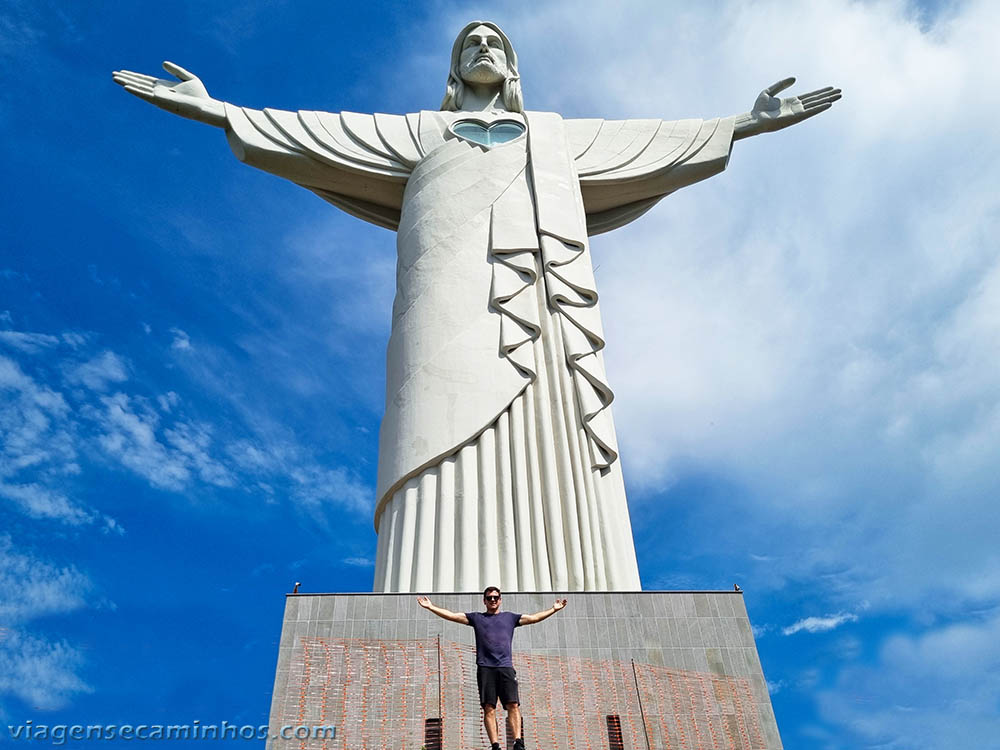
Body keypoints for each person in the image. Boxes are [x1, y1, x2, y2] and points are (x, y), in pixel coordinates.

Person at [113, 22, 840, 594]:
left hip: (545, 313)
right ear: (454, 69)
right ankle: (424, 584)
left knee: (560, 424)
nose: (484, 49)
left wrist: (747, 123)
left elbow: (647, 142)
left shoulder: (551, 135)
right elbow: (321, 134)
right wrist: (217, 111)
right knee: (431, 427)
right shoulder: (420, 133)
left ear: (512, 66)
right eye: (471, 45)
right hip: (442, 311)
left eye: (495, 43)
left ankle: (591, 583)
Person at [417, 588, 567, 750]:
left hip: (505, 667)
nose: (493, 600)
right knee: (489, 707)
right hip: (485, 669)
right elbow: (453, 616)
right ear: (485, 601)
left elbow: (533, 618)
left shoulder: (510, 618)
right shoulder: (477, 618)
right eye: (489, 598)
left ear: (500, 600)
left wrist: (553, 609)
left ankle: (518, 742)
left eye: (496, 597)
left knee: (513, 704)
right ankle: (495, 745)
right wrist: (431, 607)